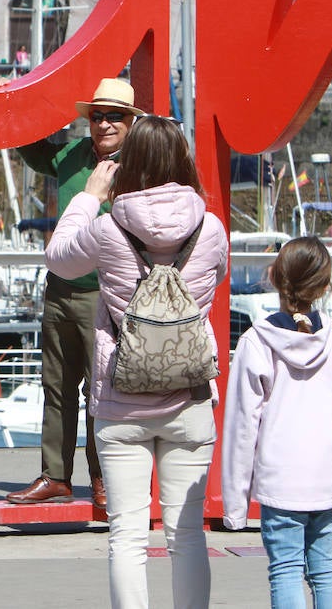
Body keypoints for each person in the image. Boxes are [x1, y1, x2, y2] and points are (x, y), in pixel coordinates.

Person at [45, 115, 227, 608]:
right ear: (183, 161)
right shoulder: (211, 227)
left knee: (126, 533)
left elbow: (59, 258)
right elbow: (219, 273)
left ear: (129, 163)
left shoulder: (108, 227)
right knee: (186, 534)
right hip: (188, 399)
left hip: (122, 398)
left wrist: (89, 196)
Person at [6, 76, 142, 509]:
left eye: (114, 117)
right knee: (56, 387)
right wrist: (17, 101)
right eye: (96, 116)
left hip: (108, 295)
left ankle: (102, 479)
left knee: (102, 392)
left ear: (131, 122)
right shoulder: (71, 154)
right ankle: (55, 476)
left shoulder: (142, 164)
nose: (103, 124)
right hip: (61, 289)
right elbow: (29, 146)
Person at [221, 237, 332, 609]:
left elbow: (241, 426)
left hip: (280, 479)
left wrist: (235, 505)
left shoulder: (257, 341)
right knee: (325, 569)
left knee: (284, 570)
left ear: (273, 277)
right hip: (327, 476)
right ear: (325, 287)